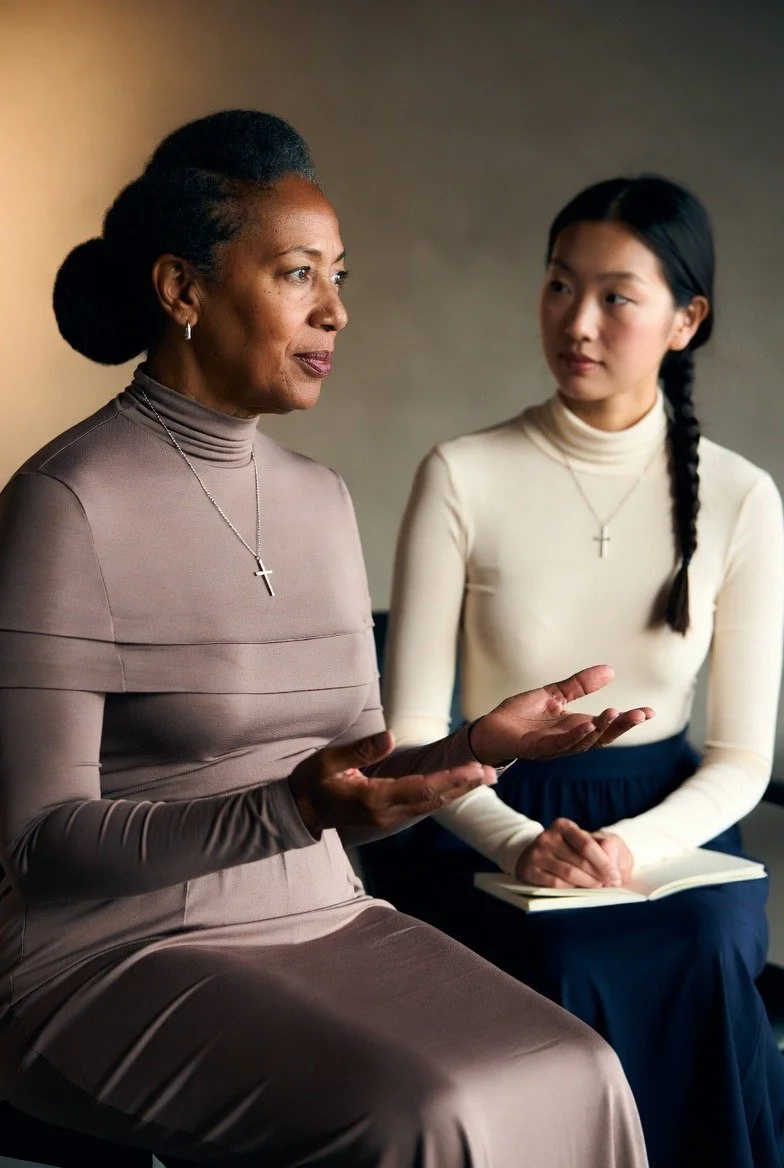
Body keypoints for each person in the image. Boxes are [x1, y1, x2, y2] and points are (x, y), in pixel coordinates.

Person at [0, 112, 652, 1168]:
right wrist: (286, 808)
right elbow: (41, 843)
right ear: (182, 290)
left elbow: (358, 779)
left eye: (338, 276)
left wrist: (477, 745)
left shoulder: (320, 500)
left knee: (581, 1067)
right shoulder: (65, 502)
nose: (337, 311)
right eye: (299, 274)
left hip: (325, 915)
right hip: (108, 957)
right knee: (425, 1110)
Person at [372, 174, 784, 1168]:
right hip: (482, 814)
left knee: (708, 944)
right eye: (559, 285)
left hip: (674, 822)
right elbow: (411, 738)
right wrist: (522, 848)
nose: (576, 320)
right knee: (559, 948)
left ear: (685, 320)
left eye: (615, 295)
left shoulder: (740, 496)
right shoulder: (461, 472)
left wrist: (624, 852)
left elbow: (738, 757)